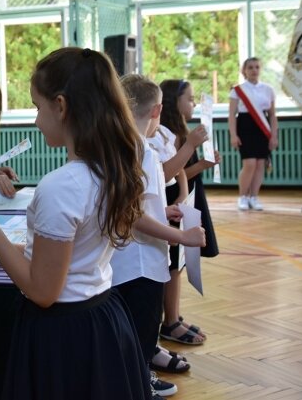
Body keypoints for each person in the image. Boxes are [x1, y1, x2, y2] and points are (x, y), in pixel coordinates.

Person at [0, 47, 152, 399]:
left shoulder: (62, 185)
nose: (36, 120)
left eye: (38, 107)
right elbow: (63, 258)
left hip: (64, 335)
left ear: (62, 106)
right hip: (103, 319)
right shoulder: (109, 171)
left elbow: (42, 291)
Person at [115, 75, 206, 397]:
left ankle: (138, 377)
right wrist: (182, 237)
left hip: (124, 262)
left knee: (131, 331)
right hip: (141, 263)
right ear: (157, 110)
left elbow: (131, 205)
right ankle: (139, 384)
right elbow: (134, 215)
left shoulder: (121, 145)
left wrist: (162, 212)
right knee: (140, 331)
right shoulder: (142, 152)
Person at [154, 79, 215, 349]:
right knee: (171, 266)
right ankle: (170, 321)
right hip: (170, 203)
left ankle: (174, 317)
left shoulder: (177, 131)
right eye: (189, 99)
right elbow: (168, 173)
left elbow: (180, 173)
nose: (193, 104)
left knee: (176, 265)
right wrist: (201, 163)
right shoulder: (166, 134)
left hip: (182, 198)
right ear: (171, 102)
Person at [228, 57, 279, 211]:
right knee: (249, 163)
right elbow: (231, 115)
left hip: (262, 129)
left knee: (259, 164)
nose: (254, 70)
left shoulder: (268, 89)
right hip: (245, 127)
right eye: (250, 67)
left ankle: (254, 197)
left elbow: (272, 115)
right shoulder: (237, 90)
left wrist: (274, 136)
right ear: (244, 71)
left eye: (257, 67)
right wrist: (233, 135)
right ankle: (243, 197)